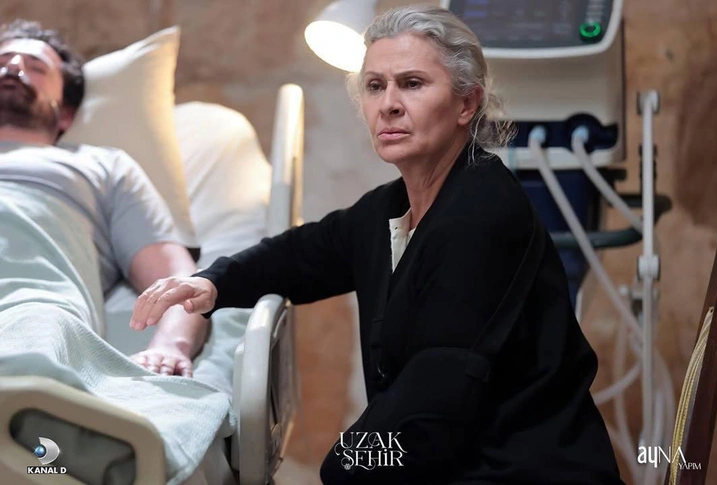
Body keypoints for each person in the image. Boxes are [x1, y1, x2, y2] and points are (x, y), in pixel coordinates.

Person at [131, 5, 624, 484]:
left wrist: (344, 466)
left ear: (467, 104)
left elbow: (434, 402)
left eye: (412, 83)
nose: (388, 103)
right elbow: (305, 253)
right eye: (374, 86)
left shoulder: (484, 214)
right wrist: (212, 283)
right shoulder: (392, 207)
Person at [0, 19, 208, 378]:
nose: (13, 67)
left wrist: (170, 346)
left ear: (66, 114)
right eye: (3, 61)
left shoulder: (103, 166)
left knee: (38, 345)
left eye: (36, 67)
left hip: (32, 312)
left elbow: (177, 279)